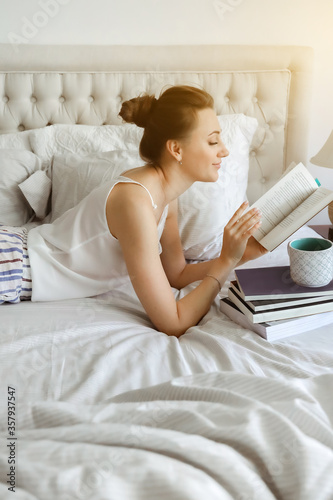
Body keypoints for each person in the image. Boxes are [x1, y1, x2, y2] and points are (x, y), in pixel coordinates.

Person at [0, 85, 267, 336]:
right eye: (212, 142)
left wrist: (242, 254)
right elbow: (172, 322)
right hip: (14, 264)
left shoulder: (165, 196)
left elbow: (176, 275)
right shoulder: (136, 202)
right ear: (176, 149)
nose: (224, 151)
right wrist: (225, 263)